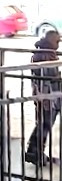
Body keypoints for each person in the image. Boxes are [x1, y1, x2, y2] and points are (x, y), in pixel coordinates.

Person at [24, 29, 62, 166]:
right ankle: (34, 152)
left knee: (44, 124)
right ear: (50, 40)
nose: (58, 44)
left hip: (49, 95)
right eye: (57, 41)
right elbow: (47, 76)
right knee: (44, 124)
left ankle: (35, 152)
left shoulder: (46, 53)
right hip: (46, 96)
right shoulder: (43, 55)